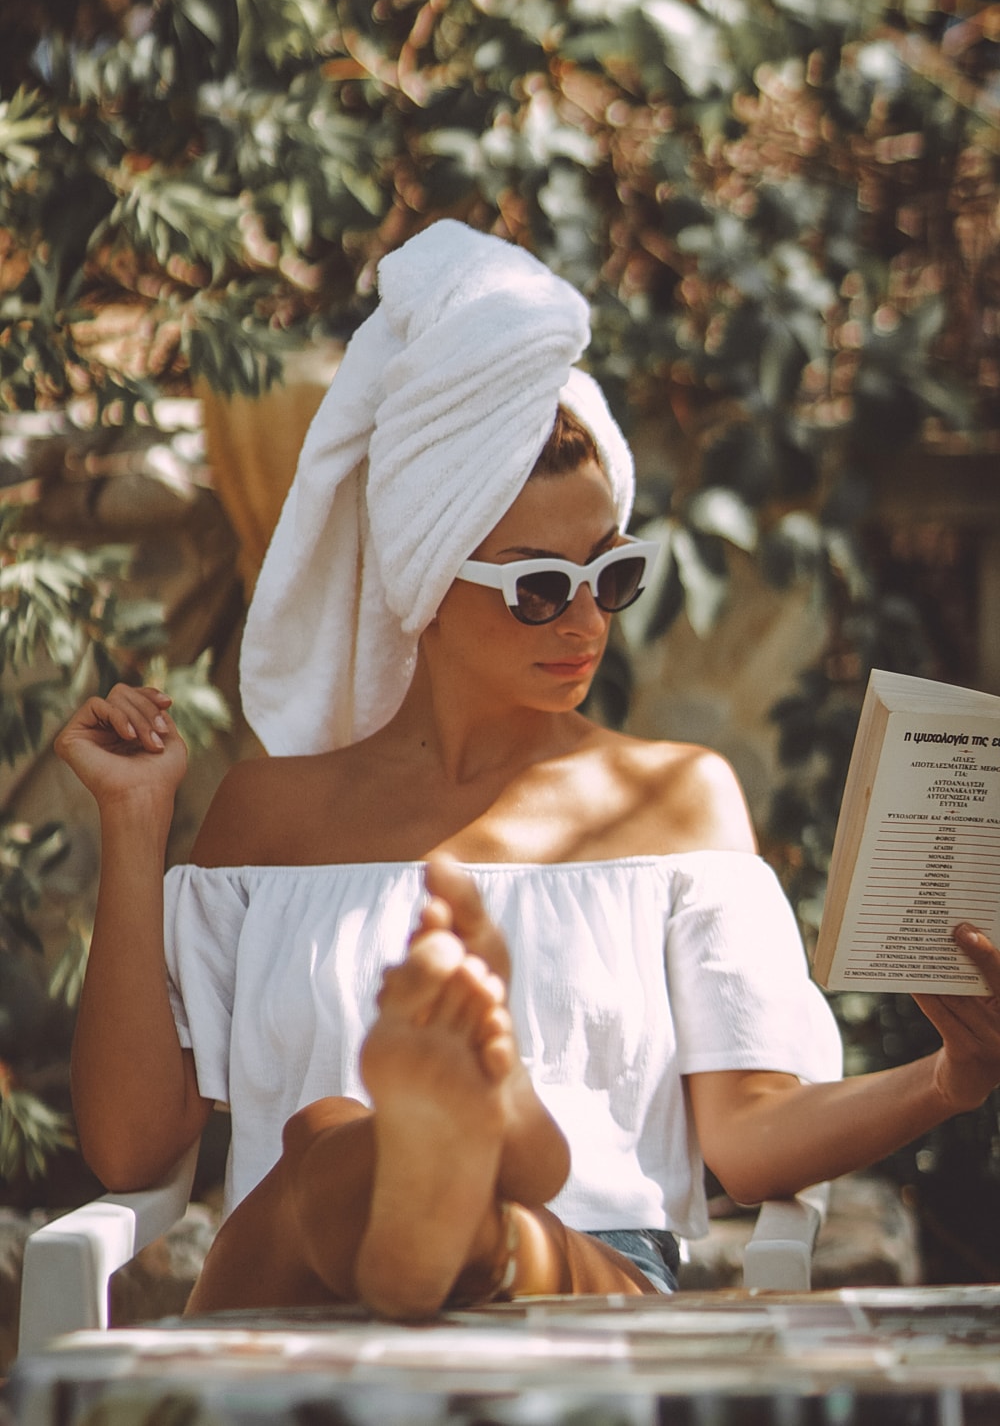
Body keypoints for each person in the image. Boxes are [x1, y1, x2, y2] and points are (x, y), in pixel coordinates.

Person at [56, 221, 1000, 1322]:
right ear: (422, 578)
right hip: (296, 1286)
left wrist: (950, 1081)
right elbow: (131, 1145)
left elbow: (749, 1143)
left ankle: (467, 1189)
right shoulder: (274, 810)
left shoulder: (676, 801)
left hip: (576, 1288)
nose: (586, 620)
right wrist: (136, 822)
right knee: (328, 1135)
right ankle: (450, 1156)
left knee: (381, 1161)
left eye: (613, 571)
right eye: (539, 585)